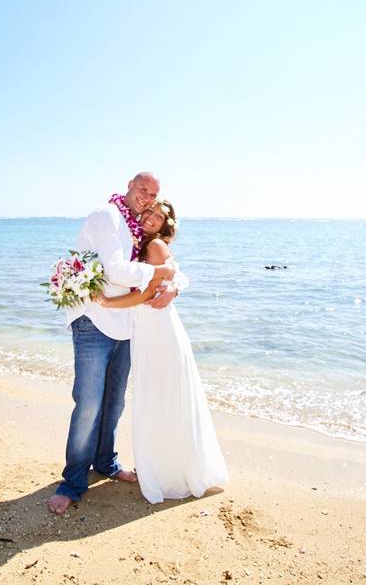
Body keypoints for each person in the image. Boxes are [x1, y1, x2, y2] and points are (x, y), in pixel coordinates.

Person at [47, 172, 184, 515]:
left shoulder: (139, 228)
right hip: (94, 321)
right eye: (143, 189)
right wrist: (160, 276)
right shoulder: (107, 216)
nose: (147, 197)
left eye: (153, 193)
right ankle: (73, 481)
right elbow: (116, 270)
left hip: (126, 325)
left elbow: (171, 264)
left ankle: (106, 462)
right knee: (89, 404)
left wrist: (174, 283)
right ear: (128, 186)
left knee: (114, 402)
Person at [95, 199, 228, 504]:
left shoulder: (154, 246)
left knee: (162, 398)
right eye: (150, 212)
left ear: (166, 225)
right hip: (147, 332)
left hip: (160, 331)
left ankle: (170, 474)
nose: (152, 218)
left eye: (159, 216)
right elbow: (173, 275)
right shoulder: (136, 245)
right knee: (157, 398)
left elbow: (146, 294)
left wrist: (106, 302)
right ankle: (162, 466)